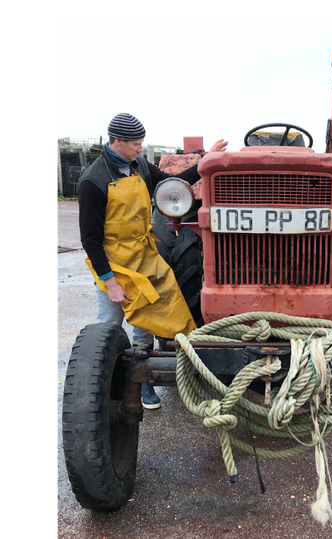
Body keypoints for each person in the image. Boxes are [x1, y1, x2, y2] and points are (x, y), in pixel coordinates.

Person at [78, 112, 228, 409]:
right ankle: (106, 386)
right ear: (117, 141)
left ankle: (143, 382)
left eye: (141, 142)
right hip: (114, 263)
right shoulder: (92, 181)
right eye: (135, 143)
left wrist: (205, 162)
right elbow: (90, 240)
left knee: (145, 323)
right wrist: (109, 282)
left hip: (142, 255)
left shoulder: (139, 166)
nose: (140, 148)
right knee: (110, 325)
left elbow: (173, 184)